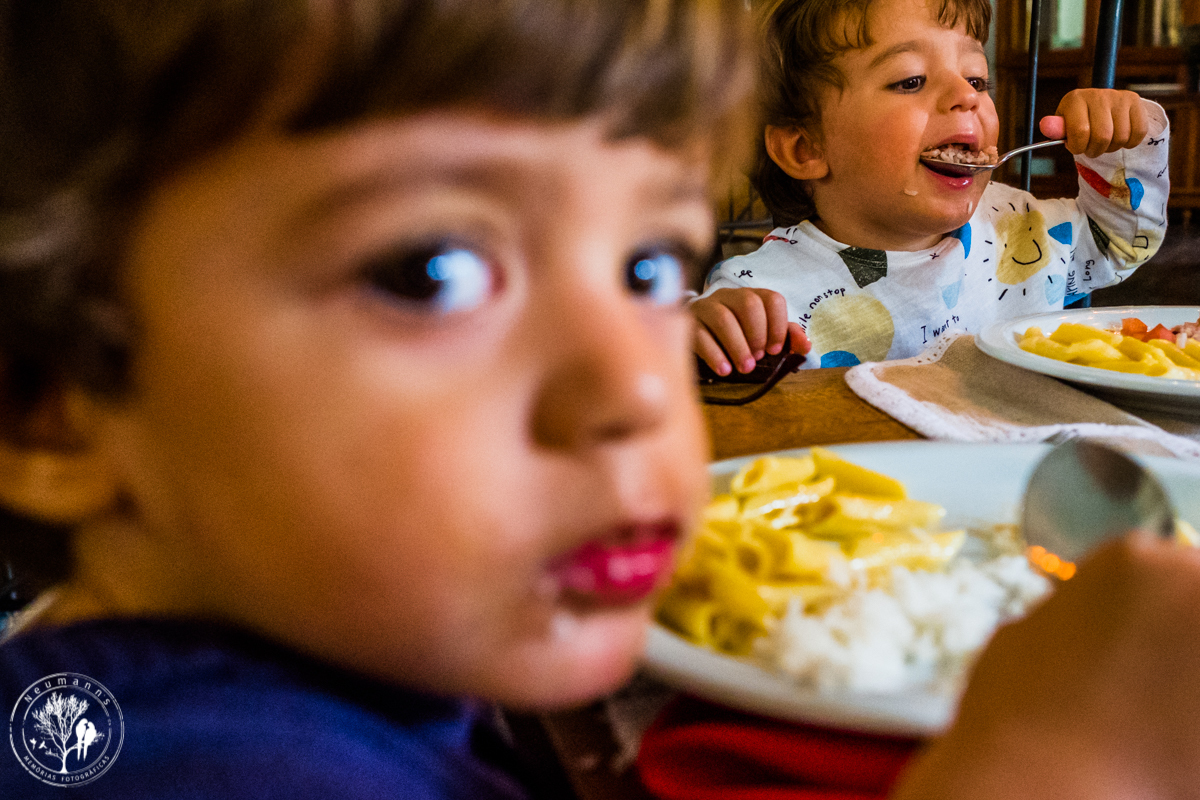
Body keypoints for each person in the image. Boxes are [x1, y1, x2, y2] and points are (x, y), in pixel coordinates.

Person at [1, 2, 1200, 800]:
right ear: (55, 403)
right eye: (434, 271)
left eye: (647, 269)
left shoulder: (354, 656)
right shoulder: (201, 770)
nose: (635, 384)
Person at [692, 0, 1171, 375]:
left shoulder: (1020, 233)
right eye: (910, 80)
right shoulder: (766, 295)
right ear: (806, 148)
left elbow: (1122, 244)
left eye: (977, 78)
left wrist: (1128, 139)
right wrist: (708, 335)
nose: (966, 95)